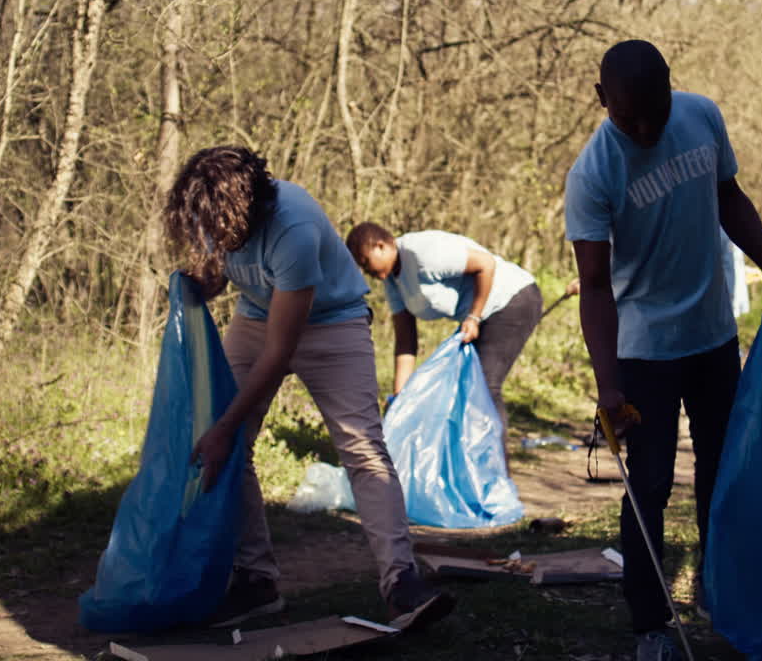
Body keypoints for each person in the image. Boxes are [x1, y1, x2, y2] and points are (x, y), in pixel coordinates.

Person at [564, 40, 762, 661]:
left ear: (673, 87)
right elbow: (594, 287)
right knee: (648, 484)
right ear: (602, 101)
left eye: (656, 109)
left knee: (722, 472)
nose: (646, 128)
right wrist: (608, 386)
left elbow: (729, 197)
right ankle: (651, 626)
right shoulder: (593, 174)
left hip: (713, 337)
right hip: (643, 351)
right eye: (629, 117)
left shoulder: (702, 115)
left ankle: (721, 586)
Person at [164, 146, 454, 631]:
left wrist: (225, 425)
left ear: (245, 210)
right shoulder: (216, 216)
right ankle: (256, 581)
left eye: (218, 228)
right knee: (230, 445)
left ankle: (402, 584)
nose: (212, 236)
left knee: (362, 448)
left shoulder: (292, 226)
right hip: (257, 317)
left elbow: (279, 354)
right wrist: (196, 284)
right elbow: (220, 272)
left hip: (332, 323)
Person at [344, 223, 541, 463]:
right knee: (458, 390)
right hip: (479, 315)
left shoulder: (422, 253)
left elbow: (486, 264)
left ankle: (495, 473)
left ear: (381, 246)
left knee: (484, 388)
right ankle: (467, 471)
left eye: (365, 262)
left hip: (511, 300)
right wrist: (399, 396)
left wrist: (473, 316)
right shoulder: (393, 281)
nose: (366, 271)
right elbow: (406, 340)